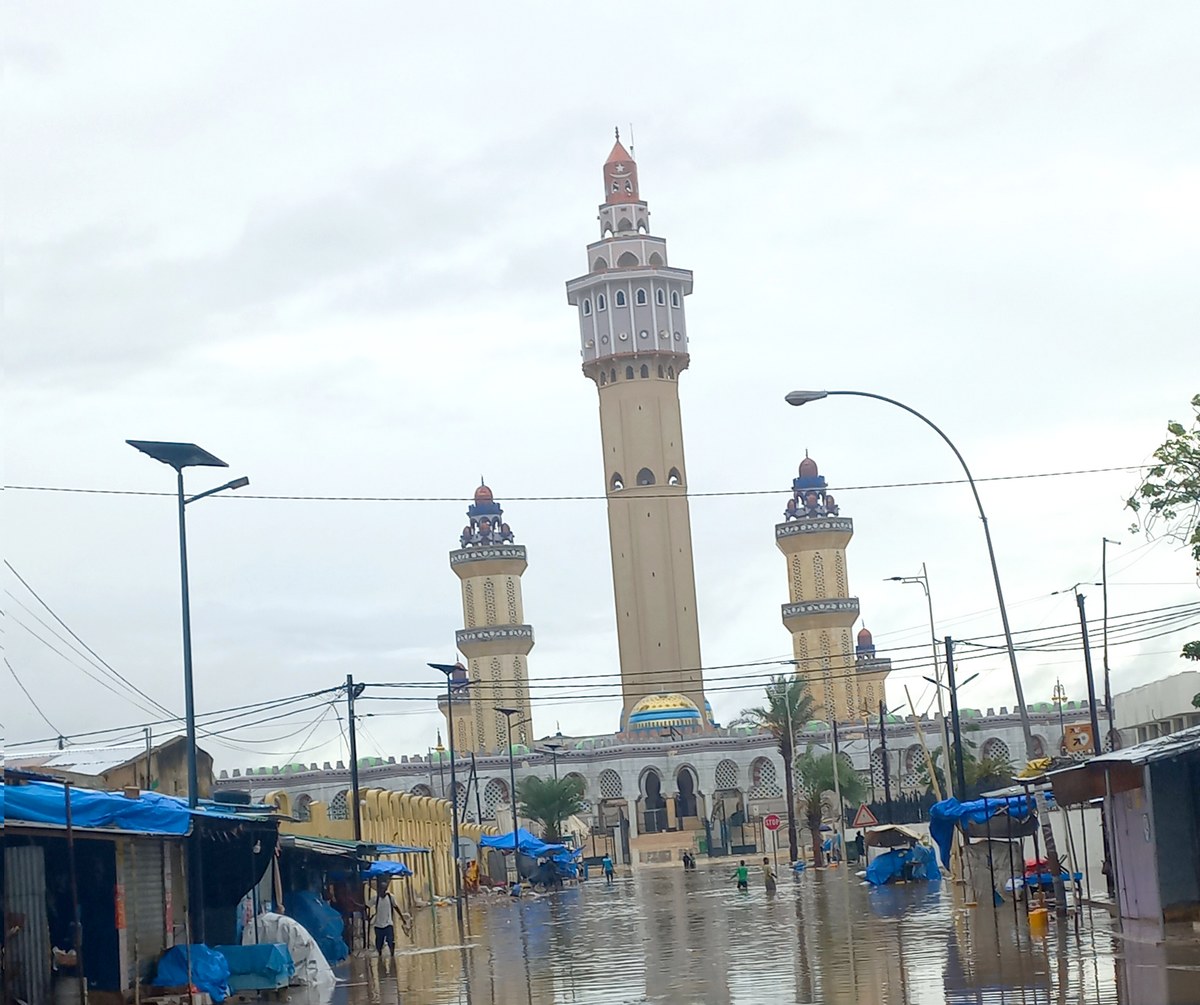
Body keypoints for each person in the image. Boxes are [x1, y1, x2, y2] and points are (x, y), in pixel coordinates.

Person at [367, 879, 398, 957]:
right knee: (379, 943)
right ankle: (380, 955)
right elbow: (366, 906)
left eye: (383, 889)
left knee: (391, 940)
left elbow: (396, 907)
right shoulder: (375, 899)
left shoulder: (391, 897)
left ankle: (392, 955)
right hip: (378, 925)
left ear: (385, 889)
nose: (382, 891)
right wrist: (367, 917)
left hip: (388, 924)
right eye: (380, 889)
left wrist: (403, 919)